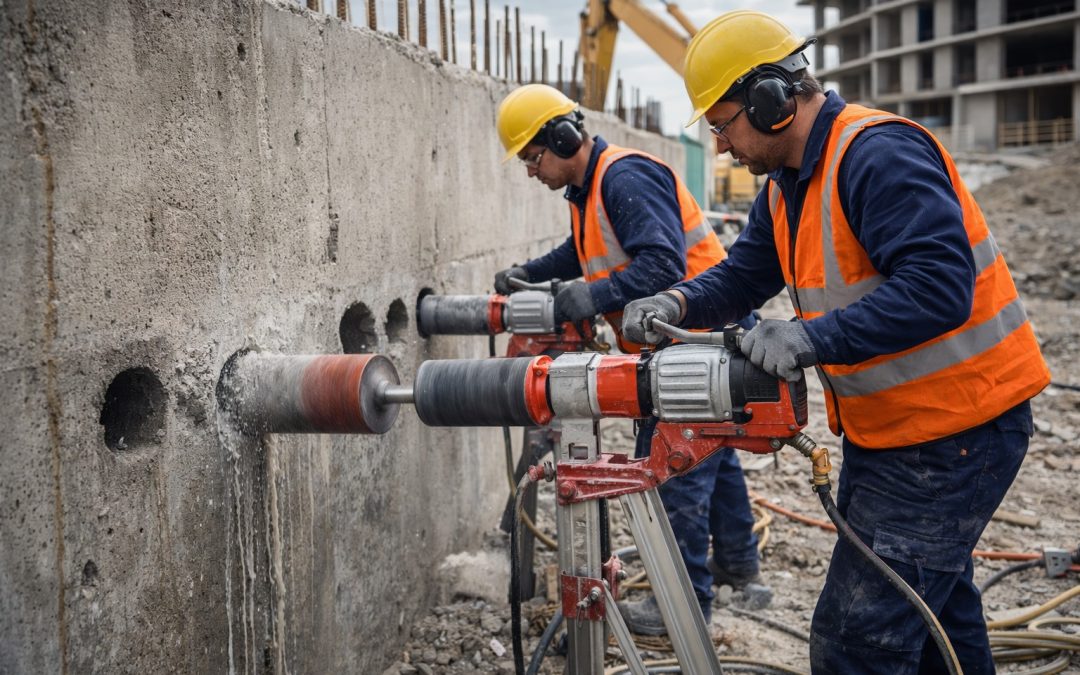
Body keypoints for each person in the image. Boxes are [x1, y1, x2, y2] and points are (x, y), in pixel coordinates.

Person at [622, 10, 1051, 672]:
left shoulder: (877, 154)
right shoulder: (787, 189)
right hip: (900, 433)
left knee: (857, 640)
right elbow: (743, 275)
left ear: (769, 101)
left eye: (723, 124)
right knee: (938, 618)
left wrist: (809, 339)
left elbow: (940, 287)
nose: (724, 146)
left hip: (959, 430)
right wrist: (676, 299)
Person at [494, 83, 770, 635]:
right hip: (690, 338)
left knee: (676, 467)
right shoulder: (592, 190)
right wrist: (533, 272)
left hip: (697, 338)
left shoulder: (623, 177)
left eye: (532, 156)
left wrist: (591, 297)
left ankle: (682, 605)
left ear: (562, 136)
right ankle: (740, 568)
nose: (530, 171)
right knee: (717, 453)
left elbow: (663, 265)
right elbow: (582, 250)